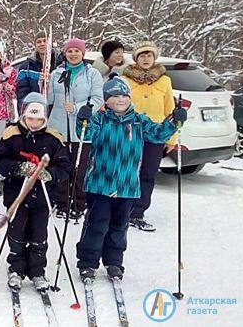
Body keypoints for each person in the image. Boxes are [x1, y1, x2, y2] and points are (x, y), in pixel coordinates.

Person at [75, 74, 186, 281]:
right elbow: (86, 133)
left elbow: (158, 134)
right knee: (97, 224)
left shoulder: (139, 121)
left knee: (119, 227)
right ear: (106, 100)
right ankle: (88, 262)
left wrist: (173, 121)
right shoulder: (100, 119)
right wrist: (83, 119)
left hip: (128, 185)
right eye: (115, 96)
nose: (121, 100)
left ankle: (114, 262)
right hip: (100, 183)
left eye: (124, 96)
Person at [0, 93, 73, 290]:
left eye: (39, 119)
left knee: (39, 234)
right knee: (17, 232)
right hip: (17, 195)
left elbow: (65, 166)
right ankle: (16, 268)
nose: (34, 123)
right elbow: (1, 162)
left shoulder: (53, 137)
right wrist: (19, 168)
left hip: (42, 197)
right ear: (23, 115)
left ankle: (37, 271)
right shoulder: (11, 134)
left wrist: (49, 174)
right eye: (30, 118)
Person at [47, 37, 104, 219]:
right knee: (62, 167)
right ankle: (62, 203)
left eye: (76, 51)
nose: (73, 54)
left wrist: (79, 107)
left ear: (82, 53)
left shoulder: (92, 74)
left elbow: (98, 98)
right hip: (59, 128)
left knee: (80, 169)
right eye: (69, 51)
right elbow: (48, 100)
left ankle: (79, 203)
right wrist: (43, 84)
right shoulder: (56, 73)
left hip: (83, 128)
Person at [122, 41, 175, 232]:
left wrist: (171, 138)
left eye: (149, 55)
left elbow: (170, 110)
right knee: (127, 172)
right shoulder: (125, 79)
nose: (146, 59)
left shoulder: (164, 81)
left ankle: (138, 213)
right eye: (142, 55)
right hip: (129, 132)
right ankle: (122, 210)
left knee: (148, 174)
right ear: (136, 59)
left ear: (154, 58)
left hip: (155, 134)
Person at [16, 31, 64, 105]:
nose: (42, 44)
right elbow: (22, 93)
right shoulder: (26, 68)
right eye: (39, 42)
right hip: (36, 108)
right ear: (35, 45)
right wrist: (25, 110)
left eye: (45, 41)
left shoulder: (60, 64)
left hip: (57, 108)